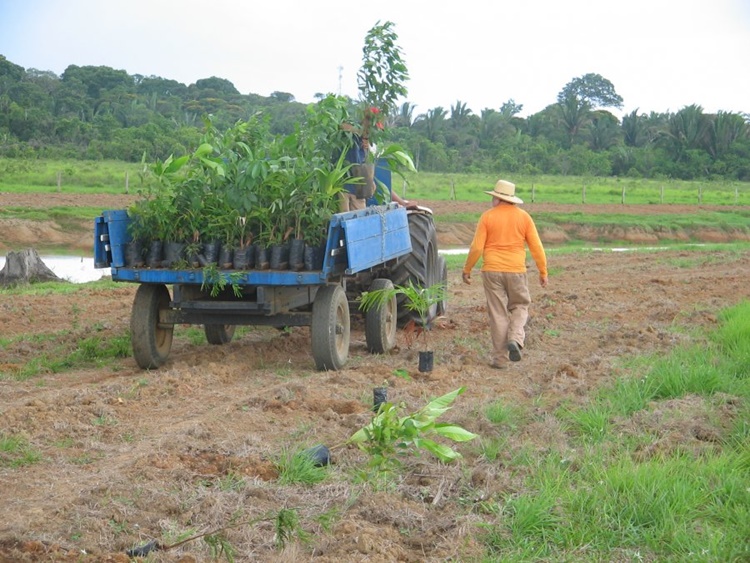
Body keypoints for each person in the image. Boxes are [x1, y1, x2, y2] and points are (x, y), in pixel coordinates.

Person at [462, 179, 548, 369]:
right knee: (520, 306)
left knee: (498, 314)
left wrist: (467, 269)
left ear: (497, 199)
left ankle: (500, 359)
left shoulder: (487, 217)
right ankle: (515, 339)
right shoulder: (524, 217)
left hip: (491, 270)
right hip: (516, 270)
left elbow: (477, 247)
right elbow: (536, 246)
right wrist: (543, 271)